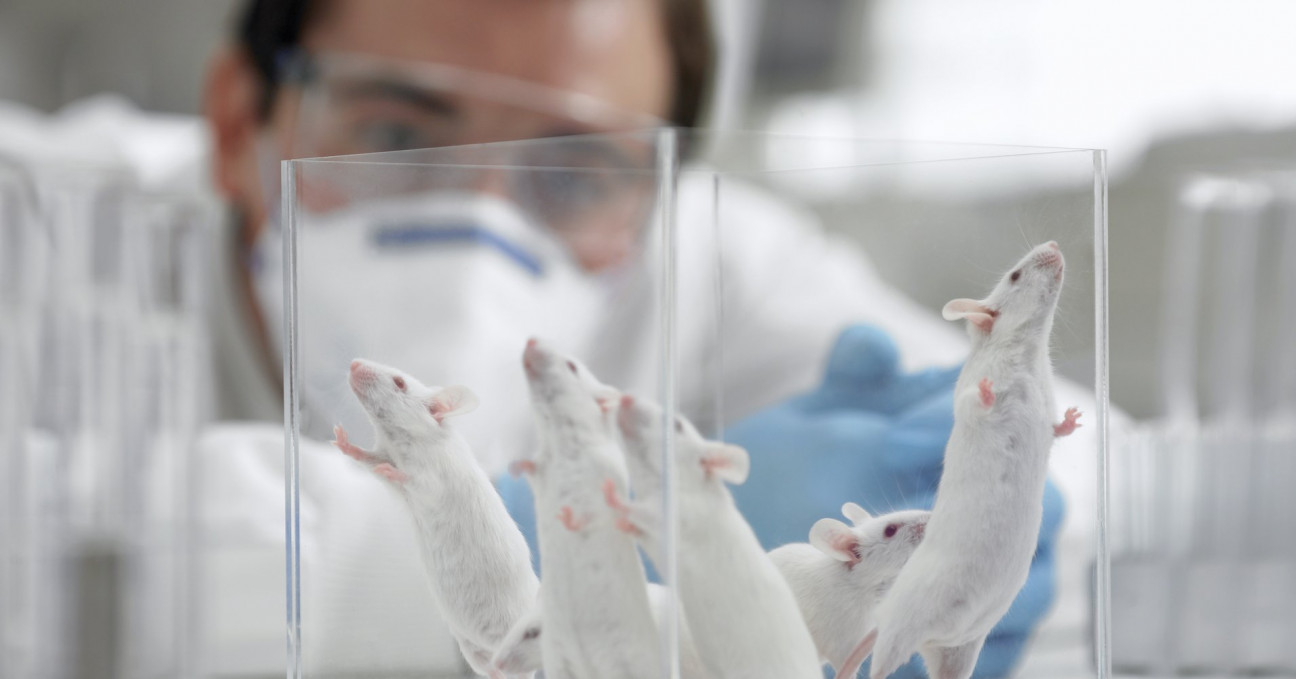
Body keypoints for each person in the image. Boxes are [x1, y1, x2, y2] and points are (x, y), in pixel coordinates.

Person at [200, 1, 1068, 677]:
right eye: (394, 136)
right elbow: (83, 560)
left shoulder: (712, 250)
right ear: (240, 125)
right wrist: (490, 545)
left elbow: (1127, 475)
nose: (481, 220)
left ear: (661, 192)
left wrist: (980, 522)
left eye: (573, 171)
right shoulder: (75, 227)